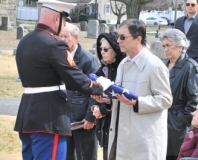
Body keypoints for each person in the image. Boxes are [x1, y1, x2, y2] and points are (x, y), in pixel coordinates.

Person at [14, 0, 105, 159]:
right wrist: (100, 89)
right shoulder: (54, 45)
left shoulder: (24, 42)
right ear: (56, 18)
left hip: (27, 114)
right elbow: (74, 77)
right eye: (63, 22)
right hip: (49, 116)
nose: (63, 27)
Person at [92, 19, 173, 160]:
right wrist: (107, 100)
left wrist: (137, 102)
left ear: (138, 39)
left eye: (123, 37)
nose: (118, 41)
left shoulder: (155, 65)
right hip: (122, 139)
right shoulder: (123, 63)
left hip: (143, 141)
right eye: (118, 36)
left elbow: (165, 100)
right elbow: (121, 96)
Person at [58, 23, 100, 160]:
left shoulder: (88, 60)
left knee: (85, 156)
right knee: (66, 155)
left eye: (66, 36)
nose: (62, 39)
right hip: (64, 117)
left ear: (76, 38)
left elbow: (96, 89)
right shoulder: (58, 57)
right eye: (60, 36)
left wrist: (90, 117)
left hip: (83, 119)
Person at [160, 29, 198, 160]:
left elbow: (195, 99)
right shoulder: (162, 64)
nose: (166, 49)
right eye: (164, 46)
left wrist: (180, 121)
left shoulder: (190, 67)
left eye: (169, 45)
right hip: (160, 119)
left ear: (180, 46)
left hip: (177, 124)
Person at [91, 32, 126, 160]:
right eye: (100, 49)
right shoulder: (101, 71)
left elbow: (122, 98)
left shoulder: (122, 71)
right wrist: (94, 107)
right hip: (104, 127)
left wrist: (103, 109)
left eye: (106, 49)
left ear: (116, 50)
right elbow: (93, 94)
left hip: (119, 128)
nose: (102, 52)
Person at [175, 0, 198, 70]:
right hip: (178, 60)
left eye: (193, 5)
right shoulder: (179, 21)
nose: (190, 6)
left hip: (195, 61)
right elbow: (174, 40)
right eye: (188, 4)